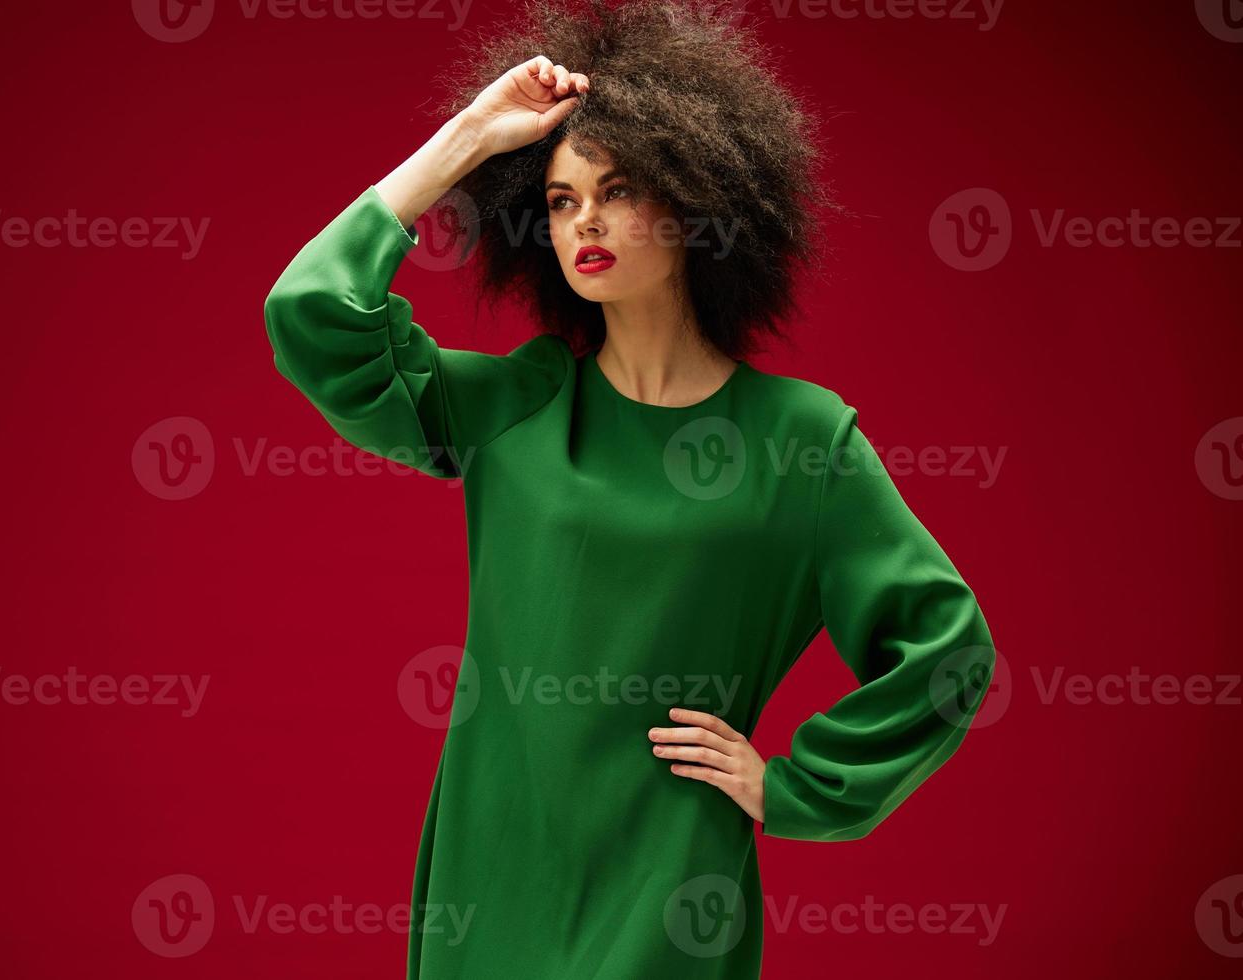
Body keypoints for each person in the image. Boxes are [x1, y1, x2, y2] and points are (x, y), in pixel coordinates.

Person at [262, 1, 996, 976]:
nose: (586, 221)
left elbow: (947, 651)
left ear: (698, 199)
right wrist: (468, 140)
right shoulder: (522, 402)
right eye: (561, 200)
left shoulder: (801, 441)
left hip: (671, 886)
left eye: (619, 189)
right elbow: (313, 313)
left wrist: (796, 787)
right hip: (493, 882)